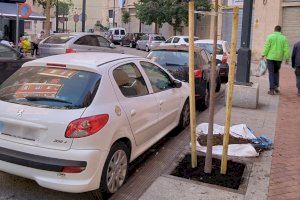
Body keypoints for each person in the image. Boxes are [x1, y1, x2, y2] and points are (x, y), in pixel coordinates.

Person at [262, 25, 290, 95]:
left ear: (274, 30)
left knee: (271, 73)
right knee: (276, 72)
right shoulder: (284, 38)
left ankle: (271, 90)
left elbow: (267, 46)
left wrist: (263, 54)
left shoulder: (270, 36)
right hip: (279, 59)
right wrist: (287, 58)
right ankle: (276, 87)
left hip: (270, 58)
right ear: (280, 30)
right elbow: (286, 49)